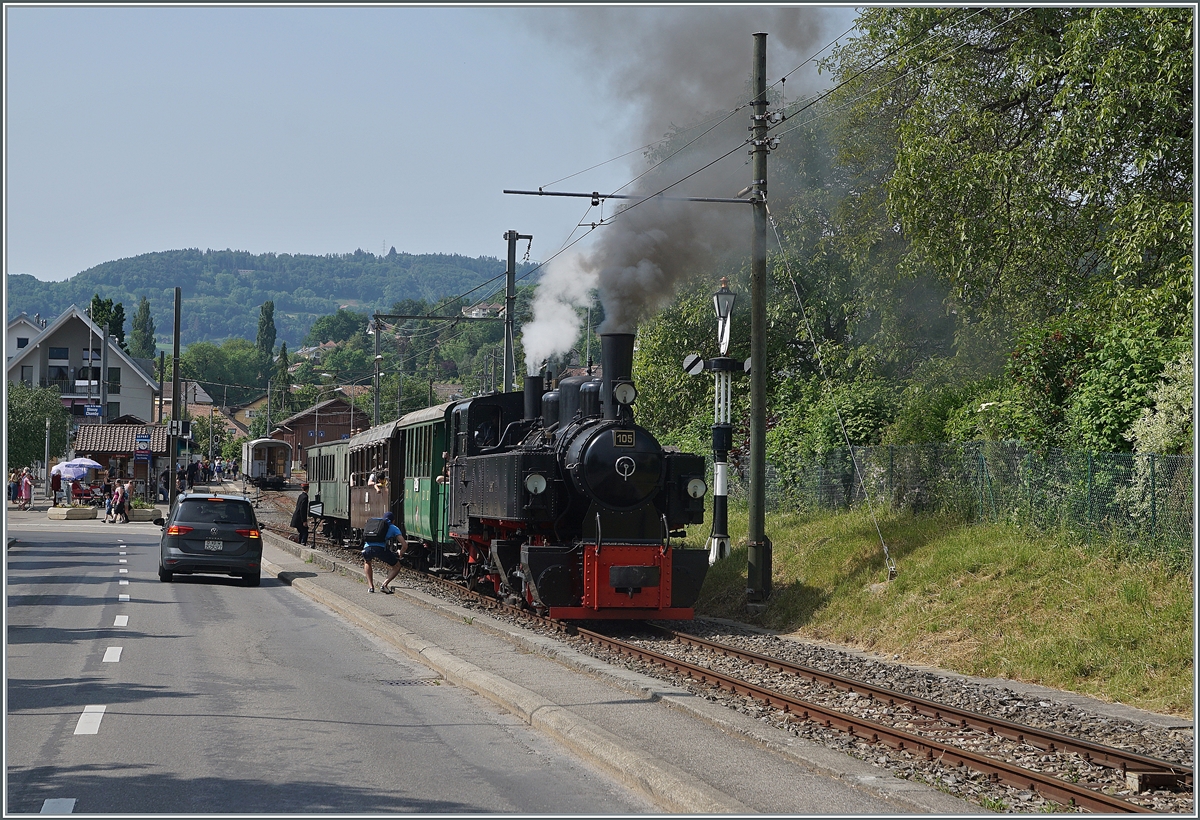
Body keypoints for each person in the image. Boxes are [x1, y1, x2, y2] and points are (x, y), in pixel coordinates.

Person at [361, 511, 405, 594]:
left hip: (367, 548)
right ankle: (384, 585)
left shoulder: (376, 523)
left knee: (367, 562)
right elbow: (404, 544)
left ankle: (371, 587)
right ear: (393, 521)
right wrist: (401, 552)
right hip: (380, 549)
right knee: (397, 566)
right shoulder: (393, 527)